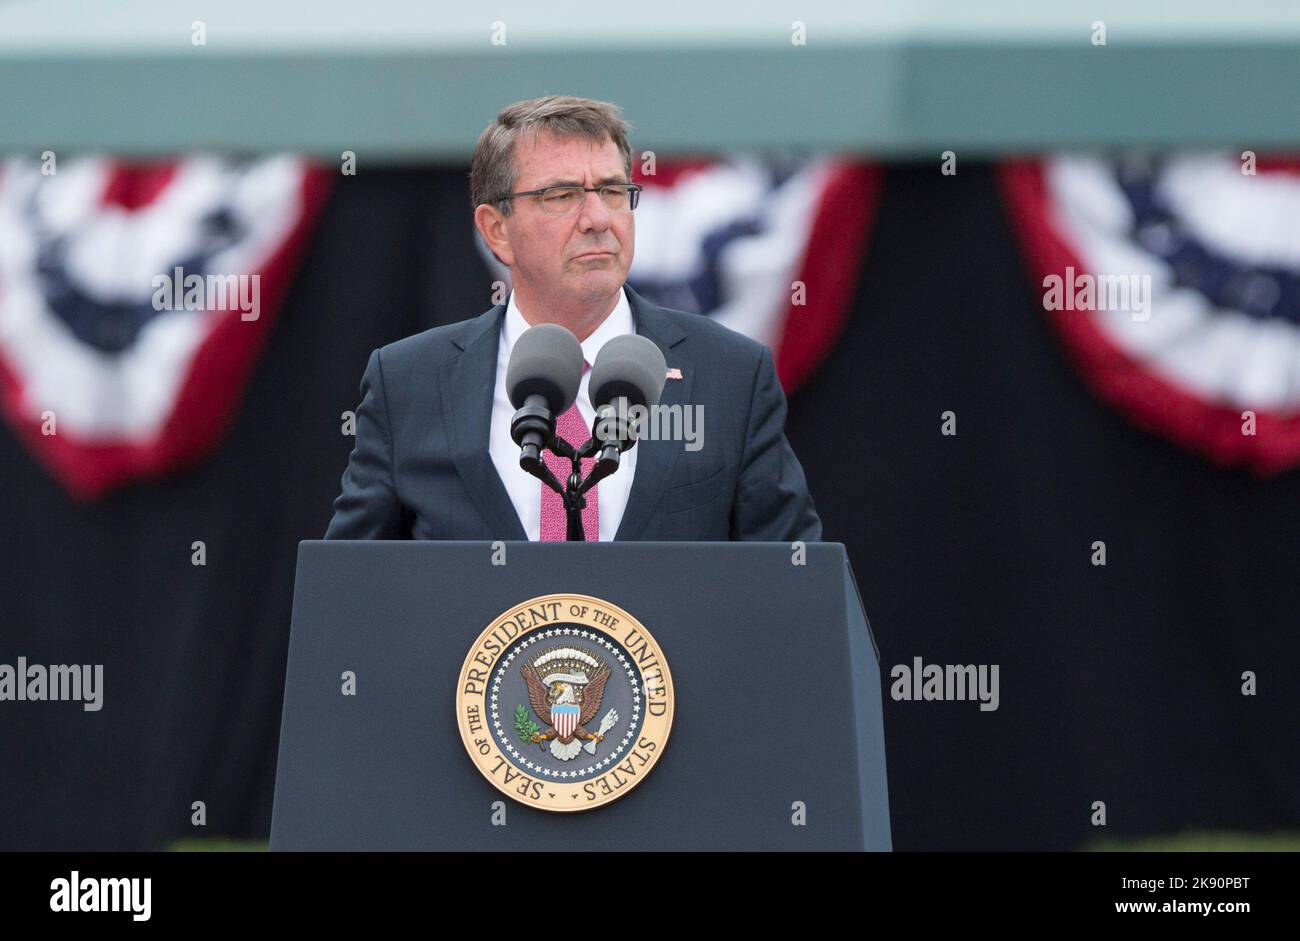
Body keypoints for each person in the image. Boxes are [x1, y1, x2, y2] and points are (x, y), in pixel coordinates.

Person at [324, 95, 821, 543]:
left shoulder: (730, 374)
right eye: (561, 196)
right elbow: (350, 595)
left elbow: (795, 587)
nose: (598, 219)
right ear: (496, 231)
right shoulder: (409, 382)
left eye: (611, 191)